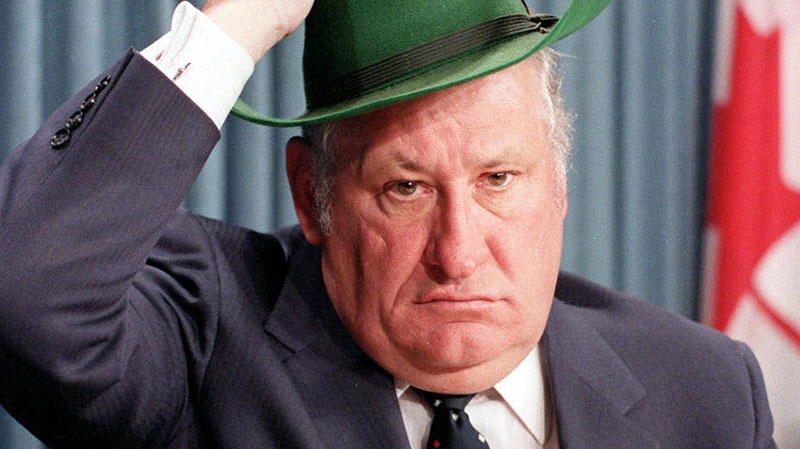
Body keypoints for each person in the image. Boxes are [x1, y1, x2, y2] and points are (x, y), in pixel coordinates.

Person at [0, 0, 777, 448]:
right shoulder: (211, 340)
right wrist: (232, 27)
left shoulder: (706, 391)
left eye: (498, 178)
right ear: (312, 197)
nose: (459, 252)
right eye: (406, 188)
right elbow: (28, 293)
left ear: (560, 179)